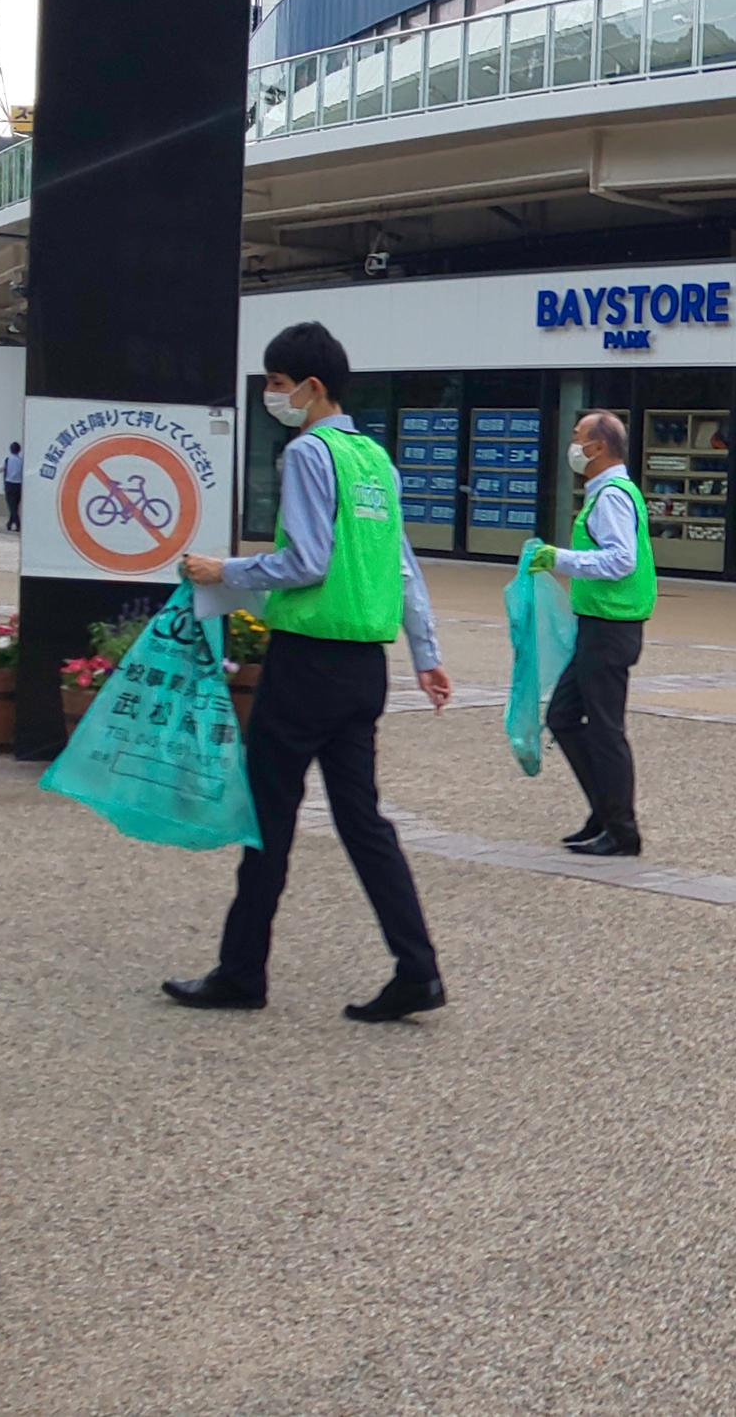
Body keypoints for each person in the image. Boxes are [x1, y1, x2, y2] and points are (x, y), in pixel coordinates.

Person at [169, 321, 454, 1023]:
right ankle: (417, 969)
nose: (272, 395)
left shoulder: (307, 453)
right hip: (363, 668)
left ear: (311, 386)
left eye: (276, 383)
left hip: (305, 663)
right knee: (364, 823)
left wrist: (223, 570)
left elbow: (305, 562)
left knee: (268, 817)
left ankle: (242, 972)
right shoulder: (374, 460)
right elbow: (403, 567)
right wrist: (426, 655)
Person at [528, 409, 652, 857]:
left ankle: (622, 830)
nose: (573, 446)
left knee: (605, 728)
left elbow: (621, 560)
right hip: (598, 624)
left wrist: (559, 559)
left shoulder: (612, 496)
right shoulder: (607, 492)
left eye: (578, 437)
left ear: (598, 448)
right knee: (563, 716)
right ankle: (604, 812)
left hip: (611, 627)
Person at [0, 441, 26, 532]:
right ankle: (10, 523)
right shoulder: (21, 461)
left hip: (9, 483)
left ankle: (18, 523)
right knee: (15, 505)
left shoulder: (7, 460)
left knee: (11, 505)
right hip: (19, 485)